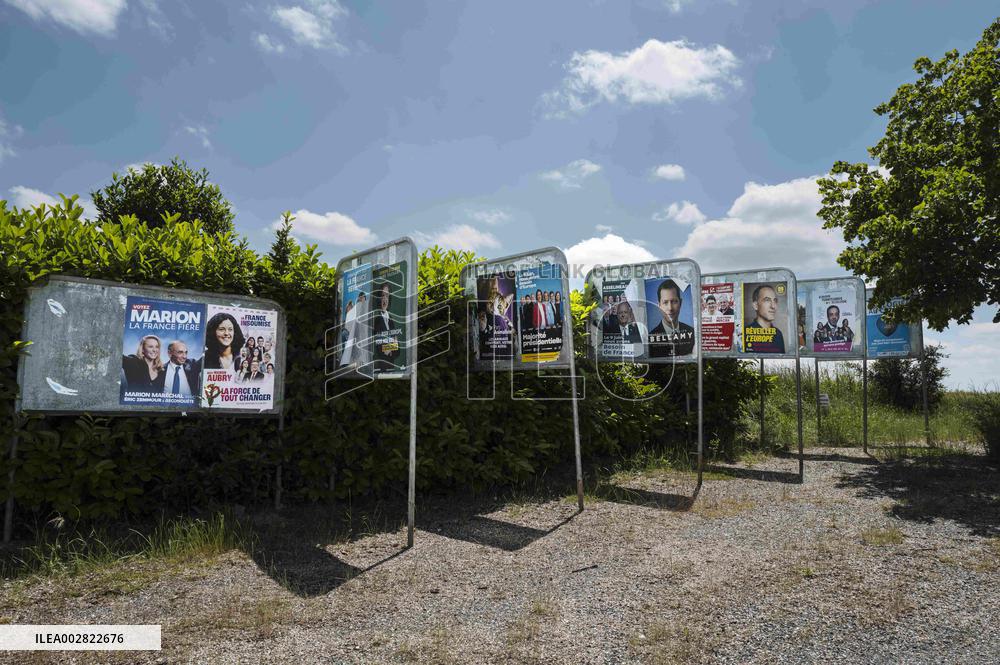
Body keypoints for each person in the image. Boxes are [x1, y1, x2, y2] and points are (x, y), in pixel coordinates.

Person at [649, 279, 695, 357]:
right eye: (665, 302)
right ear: (659, 305)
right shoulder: (649, 338)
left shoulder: (692, 332)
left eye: (674, 301)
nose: (670, 308)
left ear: (680, 303)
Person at [745, 284, 785, 353]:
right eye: (767, 300)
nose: (773, 306)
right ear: (755, 305)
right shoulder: (744, 334)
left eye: (775, 300)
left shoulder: (778, 334)